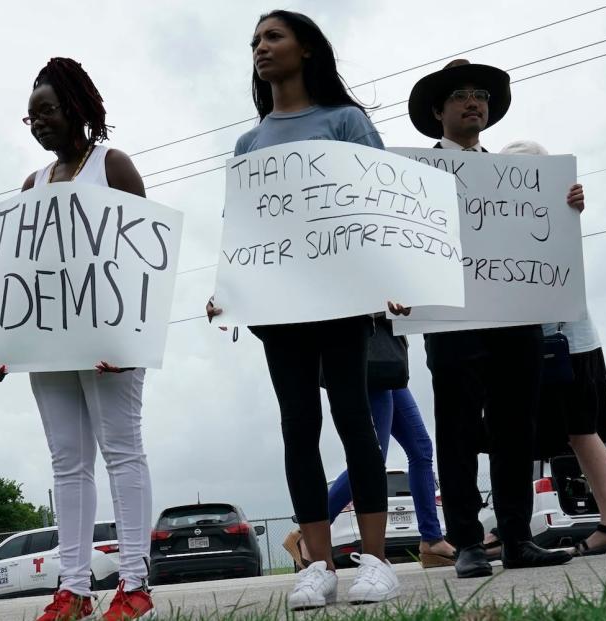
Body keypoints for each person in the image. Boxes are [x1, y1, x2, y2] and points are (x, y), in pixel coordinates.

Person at [206, 11, 397, 610]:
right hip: (277, 308)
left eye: (273, 37)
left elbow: (381, 204)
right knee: (298, 427)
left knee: (352, 416)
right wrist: (228, 288)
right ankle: (318, 566)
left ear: (308, 50)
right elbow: (243, 228)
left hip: (341, 300)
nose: (261, 48)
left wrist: (393, 278)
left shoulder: (346, 121)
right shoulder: (249, 142)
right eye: (255, 40)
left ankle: (376, 560)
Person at [0, 57, 155, 621]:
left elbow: (143, 260)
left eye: (47, 111)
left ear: (77, 107)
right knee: (67, 463)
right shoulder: (31, 186)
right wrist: (2, 346)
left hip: (109, 346)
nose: (38, 123)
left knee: (121, 452)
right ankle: (74, 588)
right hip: (51, 346)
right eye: (30, 117)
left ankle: (134, 585)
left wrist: (123, 337)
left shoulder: (114, 166)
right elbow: (21, 276)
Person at [400, 60, 574, 578]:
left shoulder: (518, 180)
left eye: (480, 95)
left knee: (516, 425)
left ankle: (517, 536)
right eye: (460, 96)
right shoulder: (414, 174)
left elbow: (545, 236)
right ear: (439, 111)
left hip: (515, 316)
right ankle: (468, 542)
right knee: (456, 428)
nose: (473, 102)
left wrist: (566, 205)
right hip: (451, 317)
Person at [502, 140, 606, 557]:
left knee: (579, 432)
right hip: (540, 340)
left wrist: (571, 206)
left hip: (566, 343)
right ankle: (514, 528)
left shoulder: (558, 209)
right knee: (531, 434)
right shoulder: (500, 218)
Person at [284, 316, 457, 570]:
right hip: (367, 353)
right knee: (372, 458)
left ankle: (431, 539)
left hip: (388, 355)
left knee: (421, 449)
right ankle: (304, 534)